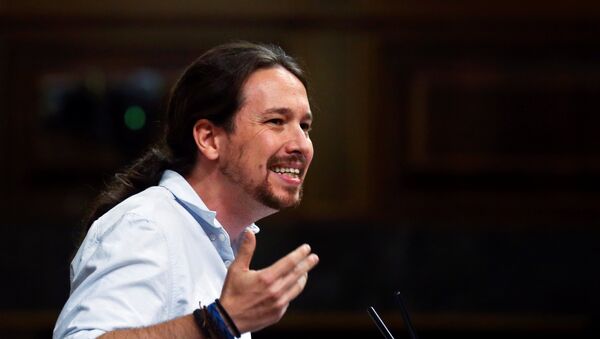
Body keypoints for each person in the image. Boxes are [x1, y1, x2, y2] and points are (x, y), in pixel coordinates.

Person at [54, 41, 319, 339]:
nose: (301, 144)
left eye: (305, 126)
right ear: (209, 138)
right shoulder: (148, 225)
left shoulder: (221, 243)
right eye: (276, 121)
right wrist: (219, 321)